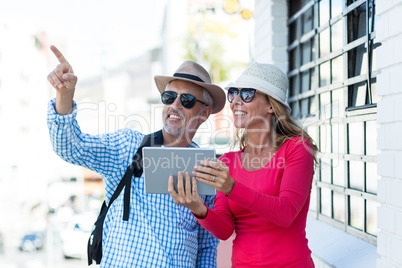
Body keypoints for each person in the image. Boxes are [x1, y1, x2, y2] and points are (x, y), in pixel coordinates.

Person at [46, 45, 226, 267]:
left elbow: (207, 246)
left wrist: (197, 208)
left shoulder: (206, 169)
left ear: (204, 113)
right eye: (169, 97)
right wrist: (64, 95)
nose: (175, 105)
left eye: (187, 100)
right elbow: (71, 147)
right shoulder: (127, 146)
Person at [168, 62, 318, 267]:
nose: (236, 101)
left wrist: (231, 187)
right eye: (233, 93)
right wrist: (197, 208)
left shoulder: (297, 148)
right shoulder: (227, 162)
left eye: (247, 94)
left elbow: (286, 213)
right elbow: (225, 230)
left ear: (271, 106)